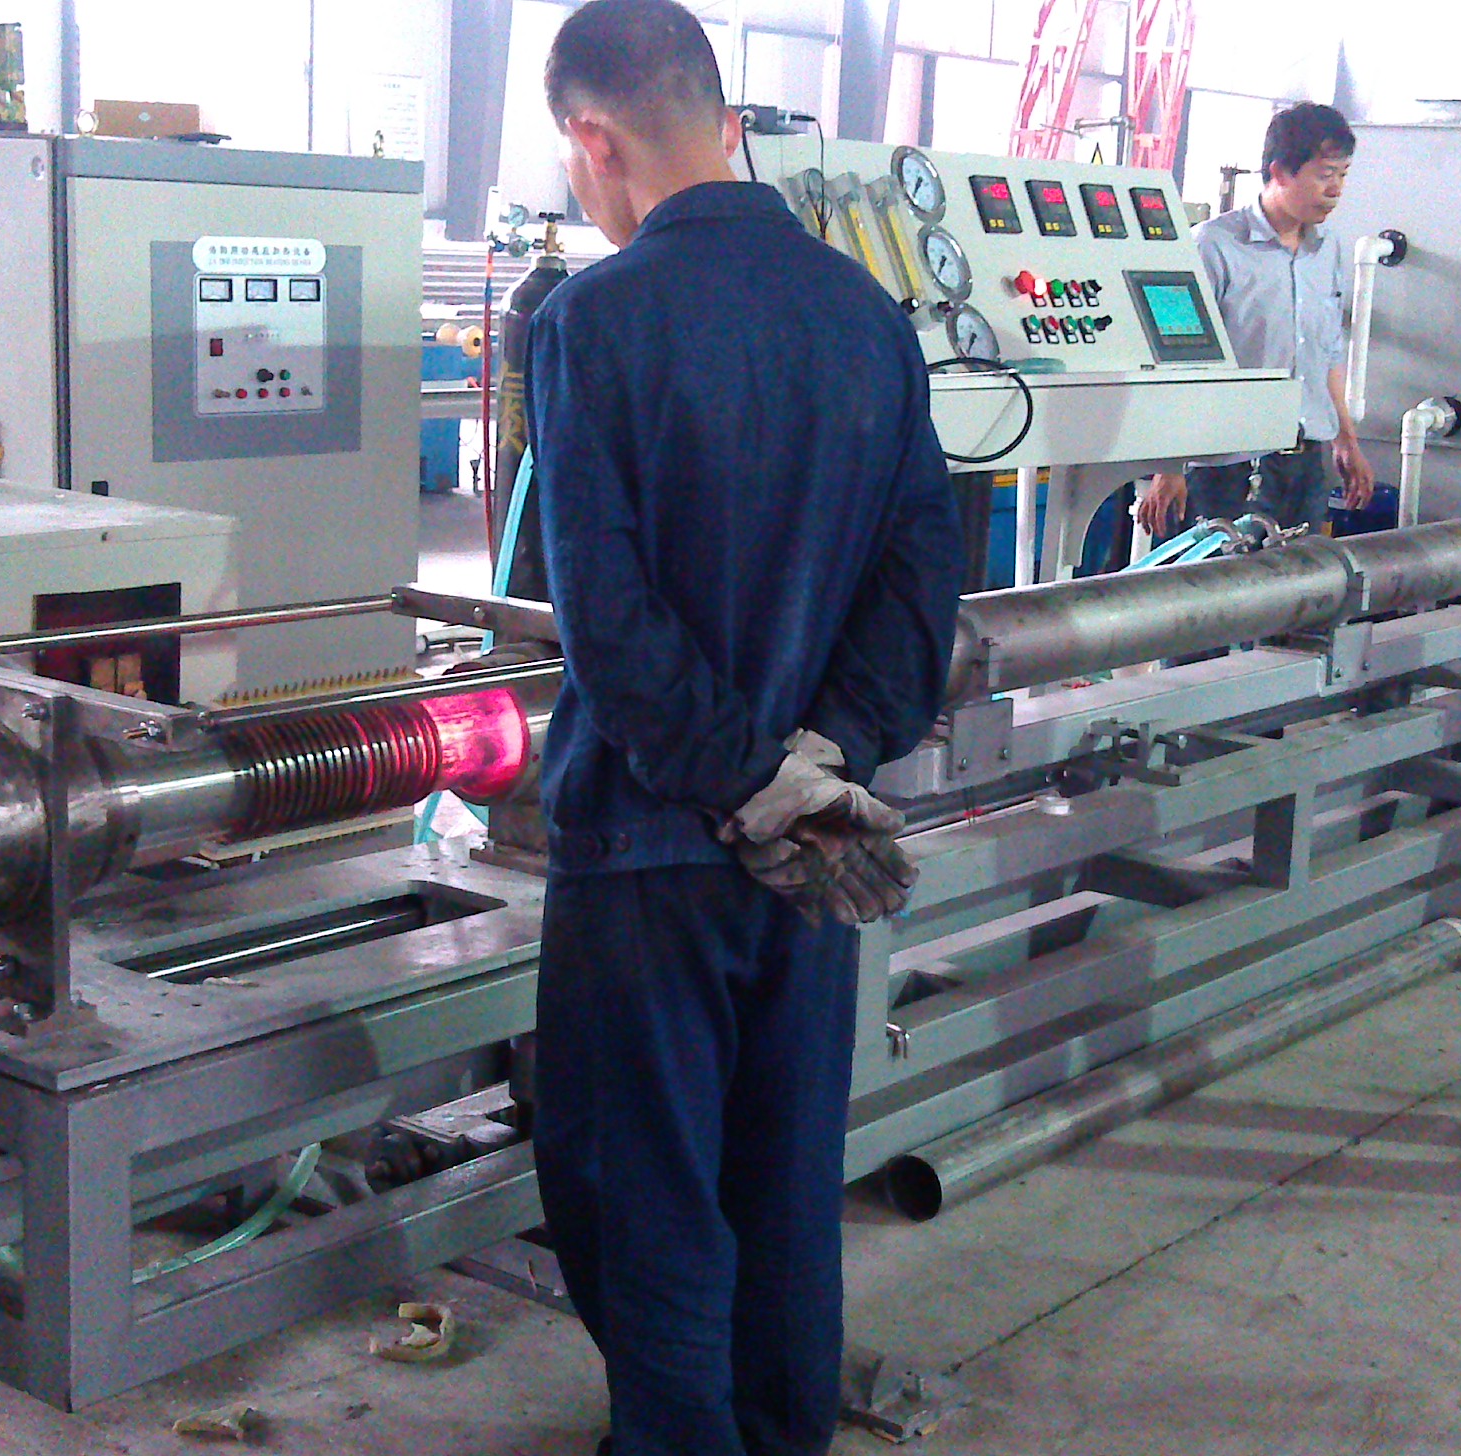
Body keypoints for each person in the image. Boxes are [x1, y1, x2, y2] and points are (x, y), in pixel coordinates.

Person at [524, 2, 964, 1451]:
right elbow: (922, 582)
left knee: (641, 1199)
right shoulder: (866, 314)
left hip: (649, 853)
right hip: (816, 857)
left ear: (594, 140)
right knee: (781, 1189)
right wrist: (821, 765)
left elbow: (609, 622)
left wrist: (740, 776)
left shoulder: (592, 321)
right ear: (724, 124)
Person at [1137, 102, 1377, 538]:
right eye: (1325, 175)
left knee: (1301, 578)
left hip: (1304, 461)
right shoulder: (1211, 246)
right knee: (1215, 578)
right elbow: (1174, 360)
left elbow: (1328, 352)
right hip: (1226, 466)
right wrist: (1168, 466)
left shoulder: (1328, 249)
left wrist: (1346, 439)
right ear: (1280, 171)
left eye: (1343, 175)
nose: (1336, 189)